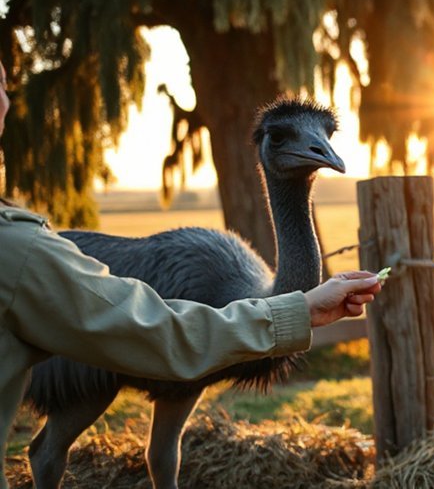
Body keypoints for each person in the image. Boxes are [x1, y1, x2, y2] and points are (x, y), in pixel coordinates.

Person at [0, 62, 381, 488]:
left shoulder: (17, 242)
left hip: (160, 324)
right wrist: (294, 312)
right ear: (265, 149)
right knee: (71, 423)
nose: (318, 147)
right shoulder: (19, 251)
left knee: (167, 441)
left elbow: (185, 356)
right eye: (281, 138)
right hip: (98, 336)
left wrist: (300, 310)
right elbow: (161, 338)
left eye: (324, 137)